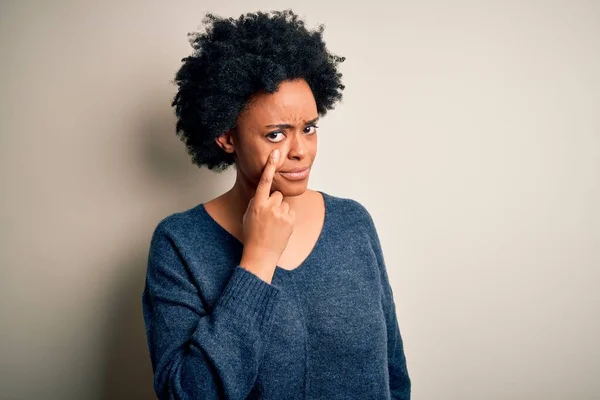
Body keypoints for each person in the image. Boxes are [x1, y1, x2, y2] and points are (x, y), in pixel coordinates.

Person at [141, 9, 411, 399]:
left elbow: (393, 374)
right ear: (226, 137)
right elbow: (187, 393)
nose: (300, 151)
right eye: (276, 134)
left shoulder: (352, 222)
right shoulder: (180, 243)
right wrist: (257, 261)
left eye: (309, 128)